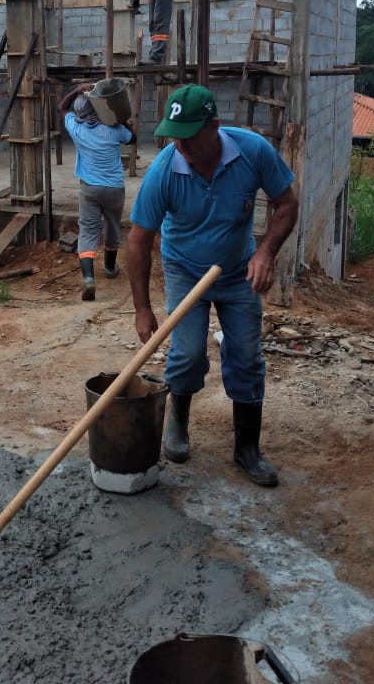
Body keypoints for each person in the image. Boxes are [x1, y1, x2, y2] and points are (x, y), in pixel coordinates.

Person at [126, 84, 298, 486]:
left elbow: (287, 203)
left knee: (246, 355)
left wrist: (266, 252)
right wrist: (142, 309)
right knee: (186, 354)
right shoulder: (164, 171)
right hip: (185, 270)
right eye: (174, 136)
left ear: (214, 126)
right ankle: (178, 421)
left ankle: (247, 447)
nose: (180, 145)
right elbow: (138, 240)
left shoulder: (252, 151)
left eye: (188, 136)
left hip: (238, 271)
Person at [59, 84, 136, 301]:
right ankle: (110, 269)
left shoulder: (76, 129)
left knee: (87, 231)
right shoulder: (113, 129)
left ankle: (88, 279)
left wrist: (76, 90)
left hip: (89, 189)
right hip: (114, 189)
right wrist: (119, 118)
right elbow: (133, 138)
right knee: (112, 226)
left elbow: (61, 108)